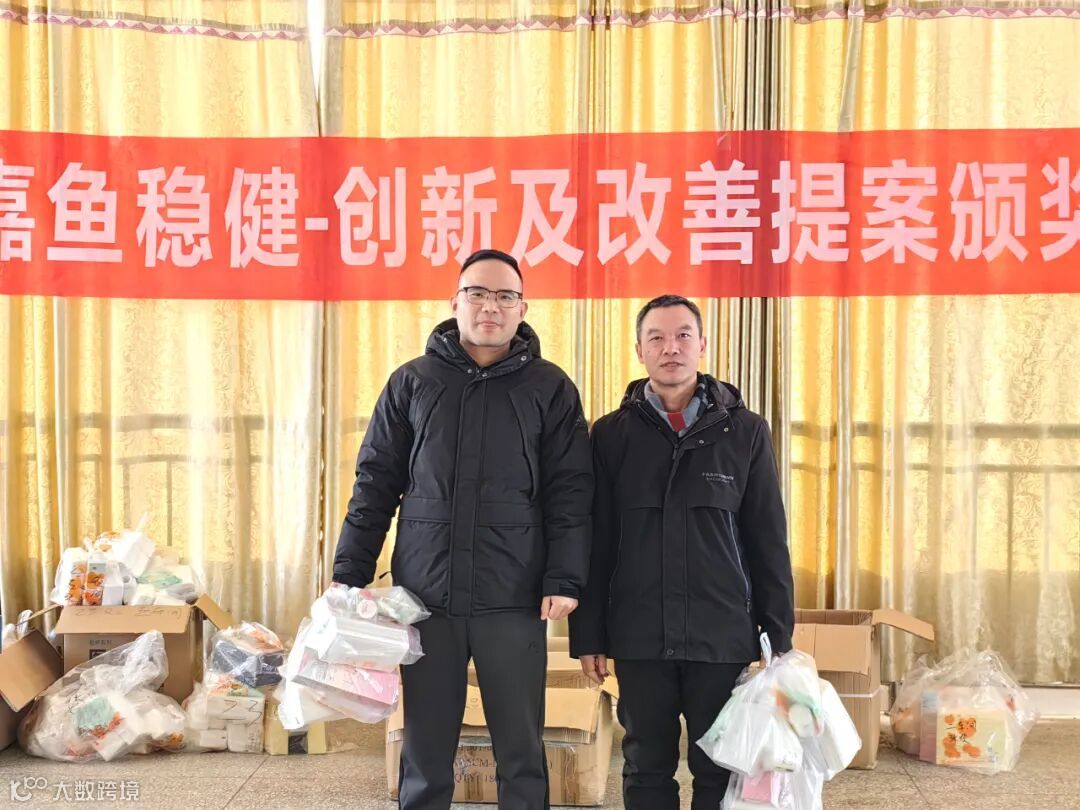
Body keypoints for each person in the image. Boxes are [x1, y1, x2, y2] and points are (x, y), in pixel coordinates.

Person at [332, 248, 593, 810]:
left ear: (523, 308)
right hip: (426, 596)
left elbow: (571, 491)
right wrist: (349, 571)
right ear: (455, 302)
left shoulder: (549, 387)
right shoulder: (413, 382)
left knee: (520, 745)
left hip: (514, 593)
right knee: (425, 745)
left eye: (504, 296)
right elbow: (375, 482)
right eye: (478, 293)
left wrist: (564, 576)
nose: (490, 306)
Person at [569, 294, 795, 810]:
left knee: (719, 764)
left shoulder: (745, 432)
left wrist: (777, 637)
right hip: (639, 633)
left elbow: (767, 539)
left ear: (702, 345)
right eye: (657, 338)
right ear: (639, 350)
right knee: (645, 763)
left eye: (682, 336)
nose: (670, 348)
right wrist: (590, 635)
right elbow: (595, 542)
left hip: (721, 632)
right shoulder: (610, 435)